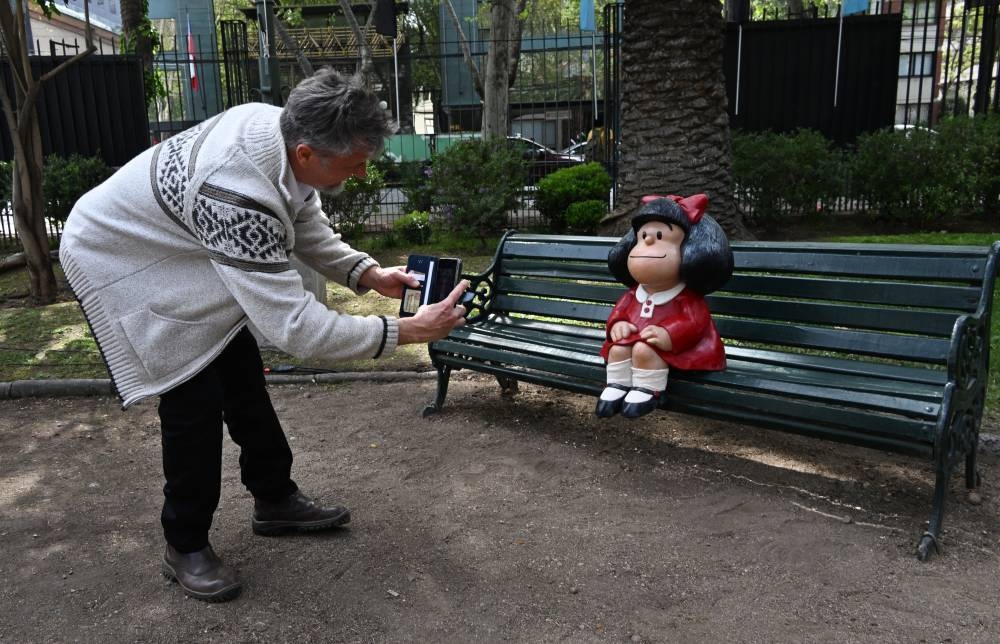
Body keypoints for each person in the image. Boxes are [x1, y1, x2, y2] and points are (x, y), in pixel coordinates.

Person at [59, 68, 469, 602]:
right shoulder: (236, 191)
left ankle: (274, 499)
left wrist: (367, 274)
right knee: (193, 398)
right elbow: (297, 329)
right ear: (306, 153)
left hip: (182, 244)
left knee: (242, 376)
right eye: (355, 163)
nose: (363, 172)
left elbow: (300, 220)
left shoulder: (275, 131)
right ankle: (184, 544)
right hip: (122, 257)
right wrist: (408, 331)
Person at [596, 194, 733, 419]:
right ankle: (617, 384)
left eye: (659, 236)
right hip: (636, 340)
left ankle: (649, 389)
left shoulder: (686, 297)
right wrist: (618, 323)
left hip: (679, 350)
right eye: (642, 237)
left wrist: (669, 333)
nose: (648, 242)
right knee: (618, 348)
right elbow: (620, 310)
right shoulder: (634, 293)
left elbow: (694, 323)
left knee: (644, 350)